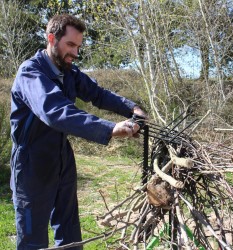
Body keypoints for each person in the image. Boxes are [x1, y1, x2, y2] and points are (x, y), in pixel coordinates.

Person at [10, 14, 146, 250]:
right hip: (31, 164)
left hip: (62, 159)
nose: (75, 53)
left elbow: (98, 94)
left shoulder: (69, 72)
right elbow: (55, 111)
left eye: (78, 46)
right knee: (33, 241)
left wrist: (131, 107)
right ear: (52, 39)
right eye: (70, 45)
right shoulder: (30, 73)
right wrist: (110, 128)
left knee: (70, 233)